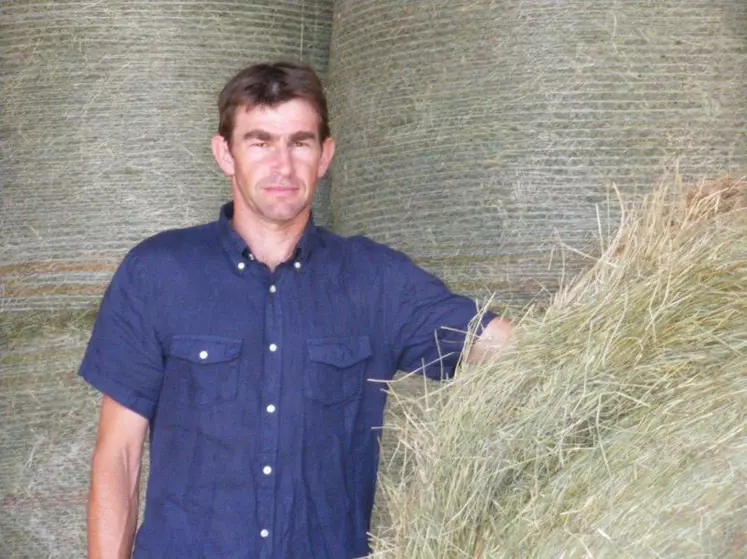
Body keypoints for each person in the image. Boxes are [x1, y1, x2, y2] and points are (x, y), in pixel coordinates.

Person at [80, 61, 514, 559]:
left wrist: (605, 345)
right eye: (260, 142)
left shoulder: (377, 282)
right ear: (225, 153)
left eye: (300, 143)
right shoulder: (157, 273)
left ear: (324, 155)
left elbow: (506, 347)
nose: (282, 167)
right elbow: (119, 456)